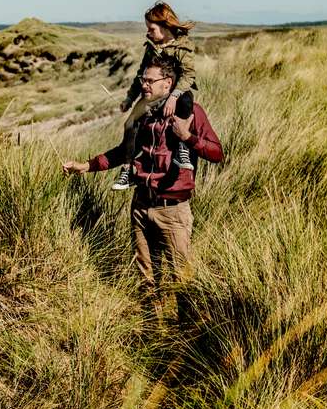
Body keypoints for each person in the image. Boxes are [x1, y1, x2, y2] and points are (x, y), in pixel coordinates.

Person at [63, 54, 223, 295]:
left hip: (172, 210)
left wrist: (187, 138)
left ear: (167, 83)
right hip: (140, 205)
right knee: (146, 279)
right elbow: (122, 152)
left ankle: (184, 330)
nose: (143, 85)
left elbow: (216, 153)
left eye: (149, 80)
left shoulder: (191, 113)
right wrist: (86, 166)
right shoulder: (144, 115)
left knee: (181, 280)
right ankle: (154, 327)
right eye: (142, 79)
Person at [112, 1, 198, 190]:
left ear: (165, 27)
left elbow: (189, 75)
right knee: (130, 124)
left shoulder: (183, 46)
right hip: (153, 96)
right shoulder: (151, 47)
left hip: (177, 92)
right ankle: (127, 171)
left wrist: (174, 96)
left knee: (187, 101)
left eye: (151, 29)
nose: (148, 33)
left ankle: (182, 151)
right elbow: (141, 75)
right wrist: (129, 98)